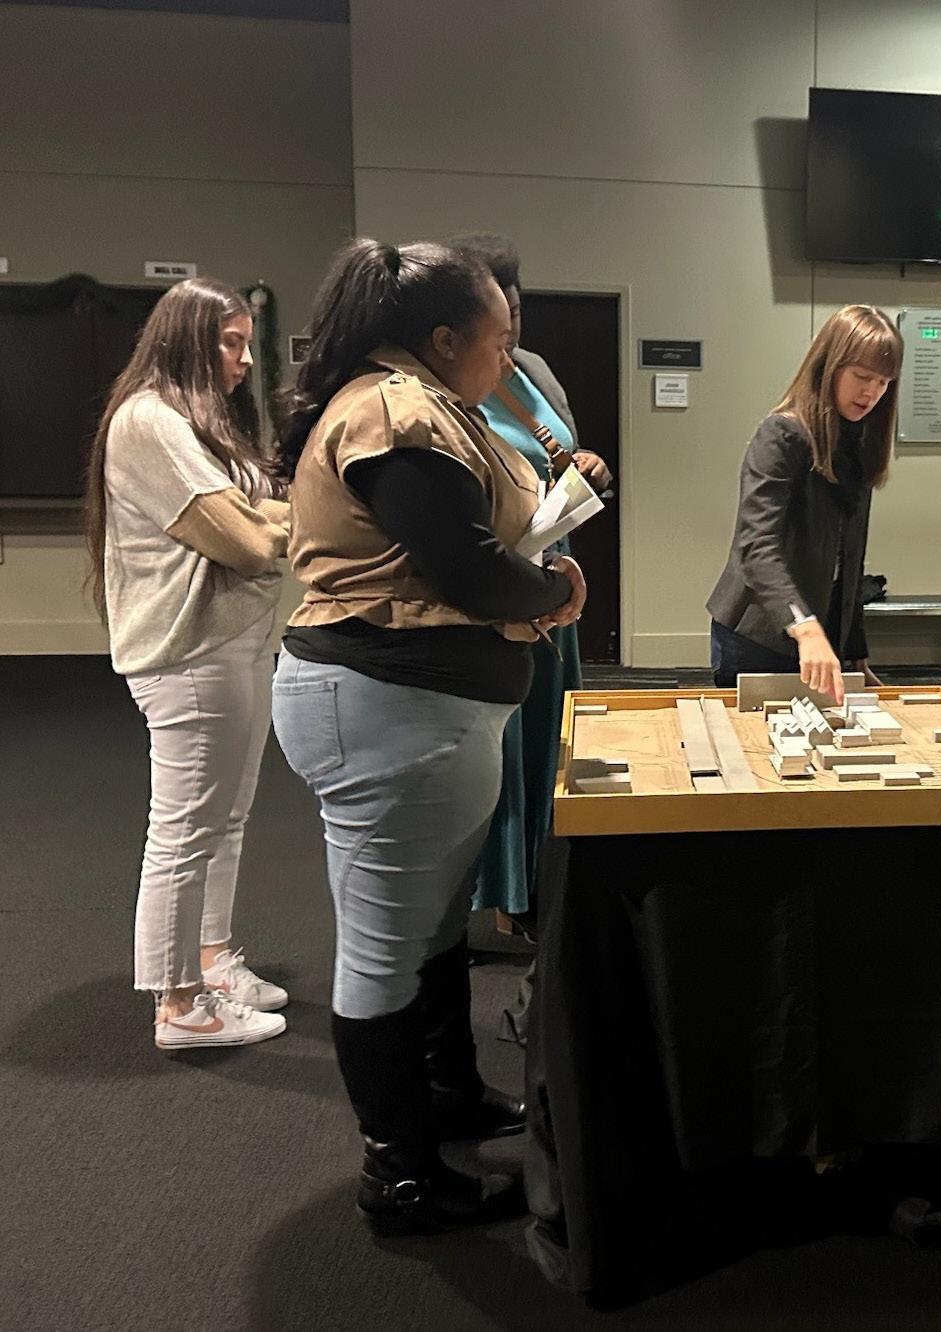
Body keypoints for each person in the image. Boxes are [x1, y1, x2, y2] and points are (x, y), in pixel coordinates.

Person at [271, 239, 587, 1233]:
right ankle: (399, 1173)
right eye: (497, 342)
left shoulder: (418, 402)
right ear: (445, 340)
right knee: (381, 949)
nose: (507, 360)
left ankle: (446, 1096)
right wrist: (550, 590)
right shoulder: (397, 414)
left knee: (433, 925)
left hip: (413, 711)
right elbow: (470, 570)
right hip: (390, 708)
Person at [84, 277, 292, 1050]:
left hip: (233, 640)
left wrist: (265, 520)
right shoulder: (149, 421)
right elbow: (244, 539)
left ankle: (209, 963)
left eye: (245, 343)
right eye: (230, 343)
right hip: (191, 650)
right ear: (188, 342)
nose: (245, 360)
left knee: (223, 819)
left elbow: (262, 514)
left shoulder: (197, 423)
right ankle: (178, 1005)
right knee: (183, 830)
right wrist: (269, 525)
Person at [448, 234, 612, 1044]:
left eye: (515, 310)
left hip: (554, 565)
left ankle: (537, 888)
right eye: (497, 312)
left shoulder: (534, 370)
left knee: (550, 732)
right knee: (501, 740)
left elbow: (566, 455)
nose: (509, 328)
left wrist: (586, 467)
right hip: (500, 578)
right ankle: (496, 899)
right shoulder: (448, 382)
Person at [706, 305, 900, 705]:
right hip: (761, 634)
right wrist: (804, 626)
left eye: (883, 382)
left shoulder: (858, 442)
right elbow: (756, 546)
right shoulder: (781, 434)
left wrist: (855, 652)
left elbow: (849, 558)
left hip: (820, 632)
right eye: (862, 377)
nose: (872, 392)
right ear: (829, 366)